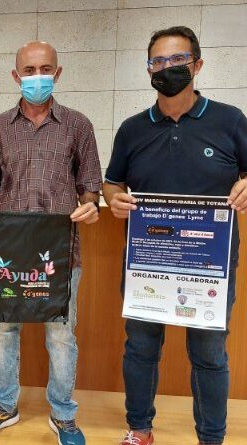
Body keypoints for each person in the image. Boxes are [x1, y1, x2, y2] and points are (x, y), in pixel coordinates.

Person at [103, 26, 247, 445]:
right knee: (141, 348)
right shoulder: (132, 129)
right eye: (158, 61)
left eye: (178, 59)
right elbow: (112, 183)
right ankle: (140, 429)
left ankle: (211, 438)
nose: (167, 68)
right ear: (149, 69)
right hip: (149, 259)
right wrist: (114, 199)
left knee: (208, 354)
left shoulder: (230, 120)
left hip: (209, 264)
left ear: (197, 65)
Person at [0, 41, 102, 445]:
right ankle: (3, 405)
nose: (37, 76)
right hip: (9, 253)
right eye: (29, 70)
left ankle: (63, 414)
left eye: (45, 69)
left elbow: (90, 187)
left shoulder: (78, 125)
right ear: (16, 76)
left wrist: (90, 205)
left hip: (59, 253)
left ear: (57, 74)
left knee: (61, 335)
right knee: (3, 331)